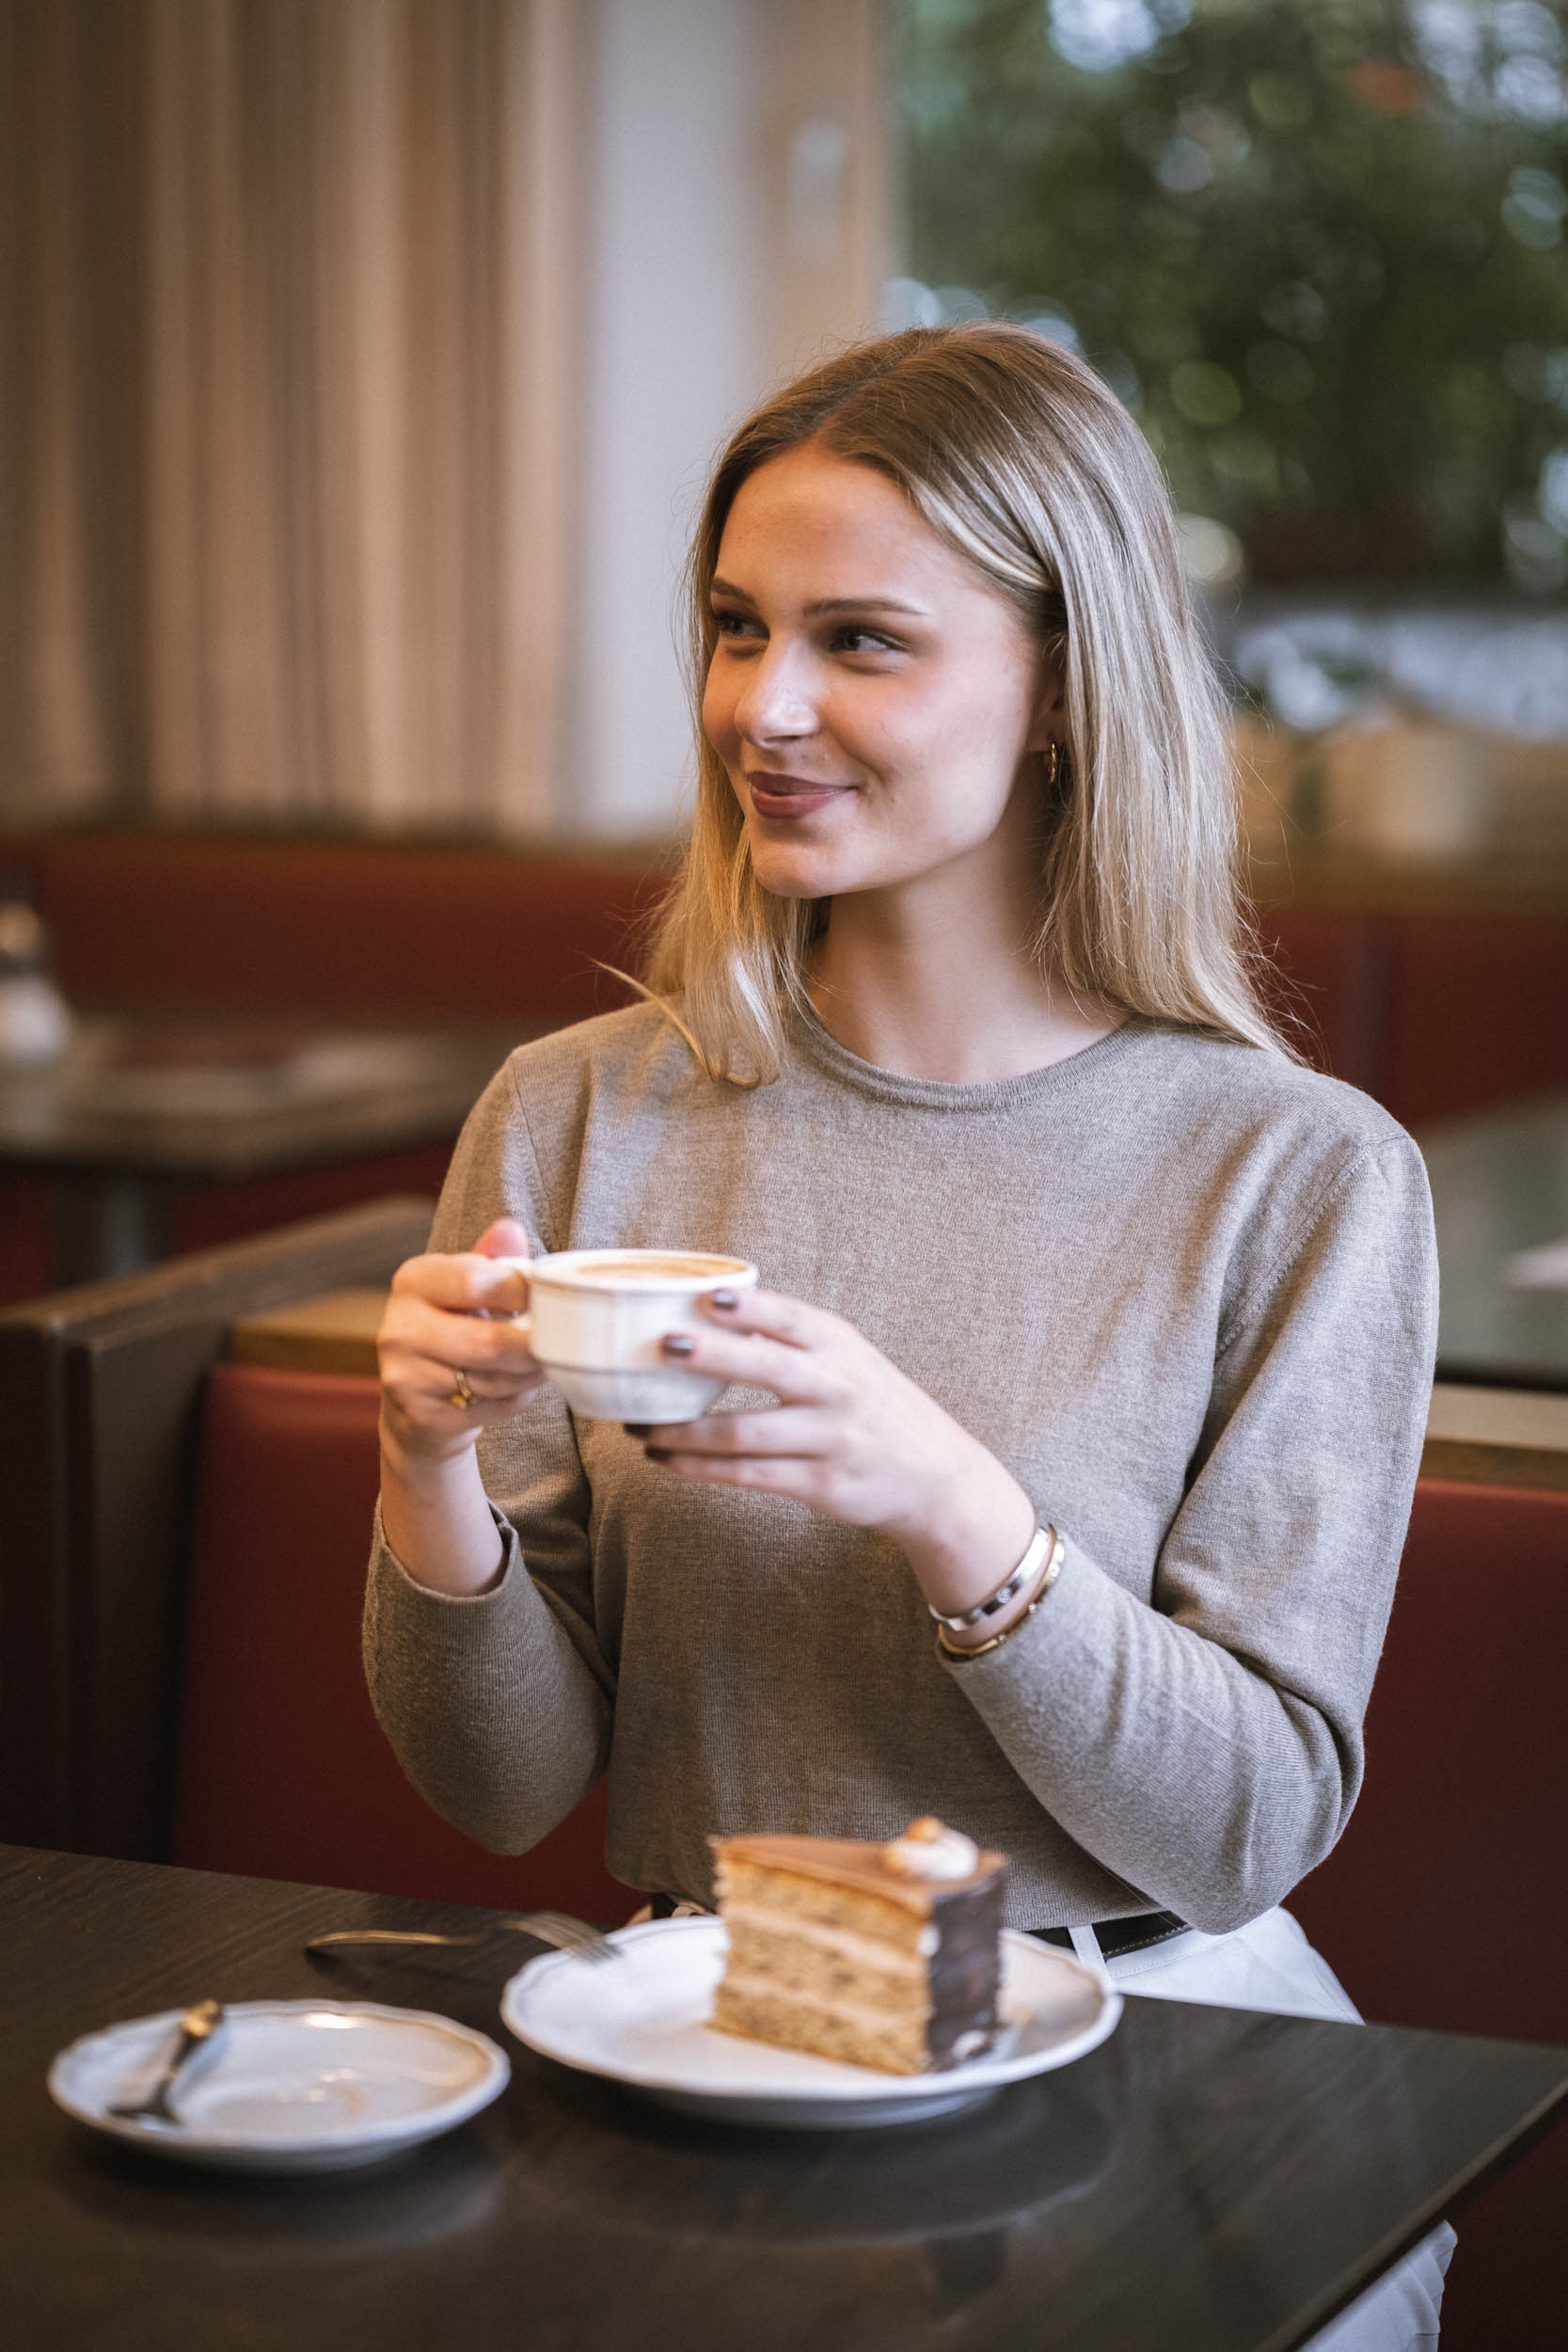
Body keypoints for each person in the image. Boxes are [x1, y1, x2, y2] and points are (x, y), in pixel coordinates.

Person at [367, 326, 1450, 2346]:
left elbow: (1247, 1830)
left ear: (1063, 689)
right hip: (709, 2020)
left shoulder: (1298, 1171)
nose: (761, 707)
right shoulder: (579, 1105)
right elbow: (502, 1789)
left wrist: (956, 1508)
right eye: (734, 626)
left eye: (863, 639)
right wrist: (428, 1474)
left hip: (1167, 2044)